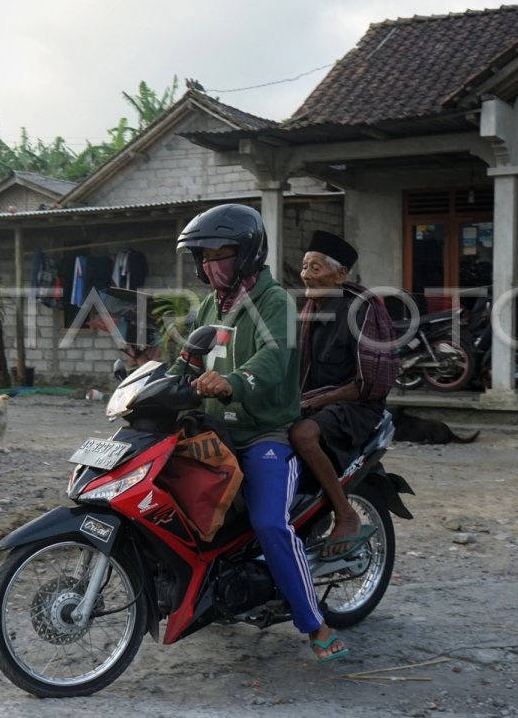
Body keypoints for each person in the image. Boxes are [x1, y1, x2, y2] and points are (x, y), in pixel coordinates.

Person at [169, 203, 349, 663]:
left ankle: (315, 623)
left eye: (220, 254)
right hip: (215, 431)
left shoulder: (274, 301)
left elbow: (273, 358)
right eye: (204, 257)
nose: (211, 265)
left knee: (270, 522)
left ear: (247, 254)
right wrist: (154, 379)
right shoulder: (212, 304)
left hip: (264, 435)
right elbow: (187, 360)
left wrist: (236, 381)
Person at [290, 230, 397, 560]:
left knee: (303, 435)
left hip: (356, 406)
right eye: (305, 266)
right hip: (314, 403)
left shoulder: (362, 312)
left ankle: (345, 513)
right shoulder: (306, 311)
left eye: (316, 267)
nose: (306, 273)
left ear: (340, 274)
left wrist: (312, 401)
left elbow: (368, 384)